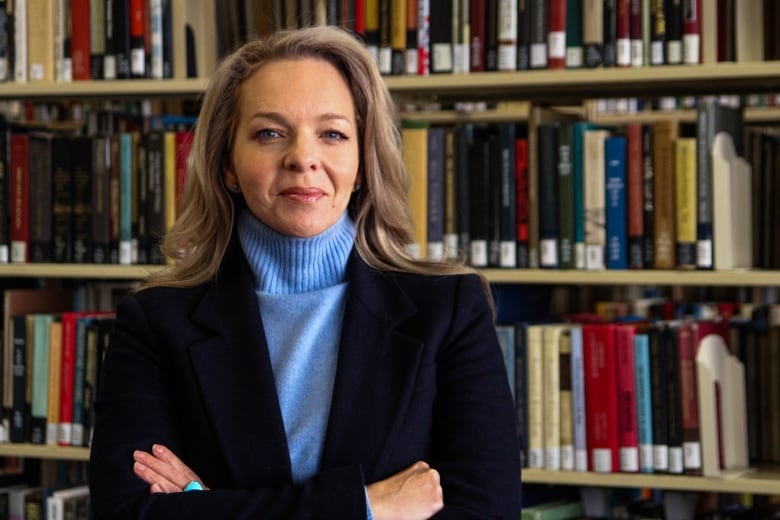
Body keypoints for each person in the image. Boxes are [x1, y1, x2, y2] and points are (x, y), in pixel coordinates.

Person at [89, 24, 521, 519]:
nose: (303, 159)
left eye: (333, 134)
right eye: (269, 133)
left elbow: (488, 513)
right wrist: (365, 507)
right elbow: (124, 514)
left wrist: (205, 507)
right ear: (227, 164)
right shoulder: (154, 322)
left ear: (362, 162)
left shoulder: (448, 310)